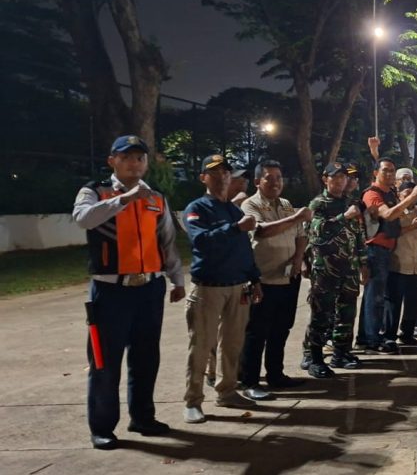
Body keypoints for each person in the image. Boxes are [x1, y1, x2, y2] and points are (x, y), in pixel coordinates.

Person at [73, 135, 186, 449]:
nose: (134, 163)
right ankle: (102, 427)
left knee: (146, 357)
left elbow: (167, 241)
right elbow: (82, 219)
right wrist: (124, 199)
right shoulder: (95, 192)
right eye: (127, 157)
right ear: (113, 160)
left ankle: (143, 417)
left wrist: (177, 279)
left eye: (140, 158)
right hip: (111, 292)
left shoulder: (156, 198)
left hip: (149, 288)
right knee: (104, 363)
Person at [182, 154, 263, 423]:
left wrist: (255, 279)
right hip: (209, 288)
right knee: (201, 346)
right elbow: (201, 241)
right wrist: (234, 228)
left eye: (226, 173)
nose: (222, 177)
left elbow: (244, 249)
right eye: (215, 172)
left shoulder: (232, 209)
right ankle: (193, 401)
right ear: (203, 177)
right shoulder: (197, 208)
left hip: (237, 286)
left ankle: (227, 391)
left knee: (232, 344)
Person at [239, 160, 311, 394]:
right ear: (258, 181)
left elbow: (300, 234)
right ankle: (249, 380)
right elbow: (261, 231)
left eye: (279, 177)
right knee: (257, 332)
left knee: (281, 329)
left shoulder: (287, 204)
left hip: (288, 279)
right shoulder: (250, 205)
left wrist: (299, 257)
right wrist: (295, 218)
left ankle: (275, 374)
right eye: (269, 177)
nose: (275, 182)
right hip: (263, 280)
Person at [302, 161, 369, 377]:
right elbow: (317, 234)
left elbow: (359, 234)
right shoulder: (318, 204)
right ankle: (314, 357)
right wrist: (344, 217)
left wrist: (363, 263)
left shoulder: (350, 202)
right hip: (325, 269)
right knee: (322, 313)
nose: (340, 180)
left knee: (347, 312)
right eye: (335, 177)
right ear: (325, 179)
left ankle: (341, 352)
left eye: (343, 177)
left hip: (349, 268)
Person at [360, 157, 417, 351]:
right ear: (375, 173)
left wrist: (374, 153)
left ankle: (367, 336)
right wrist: (412, 198)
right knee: (375, 297)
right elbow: (387, 215)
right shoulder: (372, 194)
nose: (389, 174)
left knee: (379, 297)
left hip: (387, 250)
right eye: (385, 170)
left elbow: (395, 224)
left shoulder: (390, 192)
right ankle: (370, 339)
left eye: (392, 171)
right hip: (375, 250)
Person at [384, 179, 417, 348]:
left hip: (416, 264)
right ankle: (389, 335)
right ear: (399, 195)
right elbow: (390, 234)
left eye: (413, 195)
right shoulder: (395, 213)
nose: (410, 198)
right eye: (406, 195)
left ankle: (407, 333)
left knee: (413, 302)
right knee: (394, 303)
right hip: (398, 263)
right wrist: (411, 227)